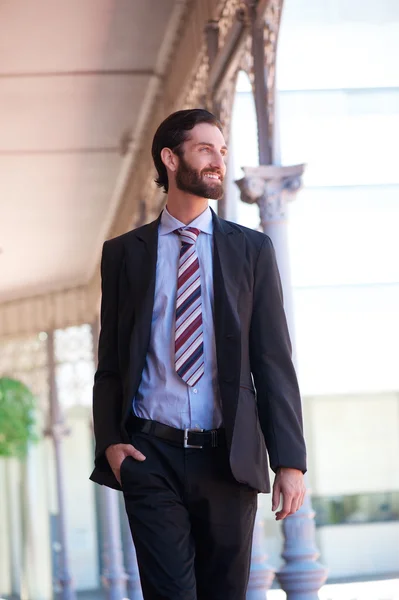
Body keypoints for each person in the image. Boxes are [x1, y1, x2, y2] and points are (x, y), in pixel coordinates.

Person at [90, 108, 307, 600]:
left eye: (223, 151)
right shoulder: (125, 254)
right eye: (205, 149)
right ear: (170, 158)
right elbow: (111, 365)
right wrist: (112, 444)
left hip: (228, 456)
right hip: (151, 455)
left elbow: (273, 360)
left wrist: (289, 461)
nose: (218, 161)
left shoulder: (251, 250)